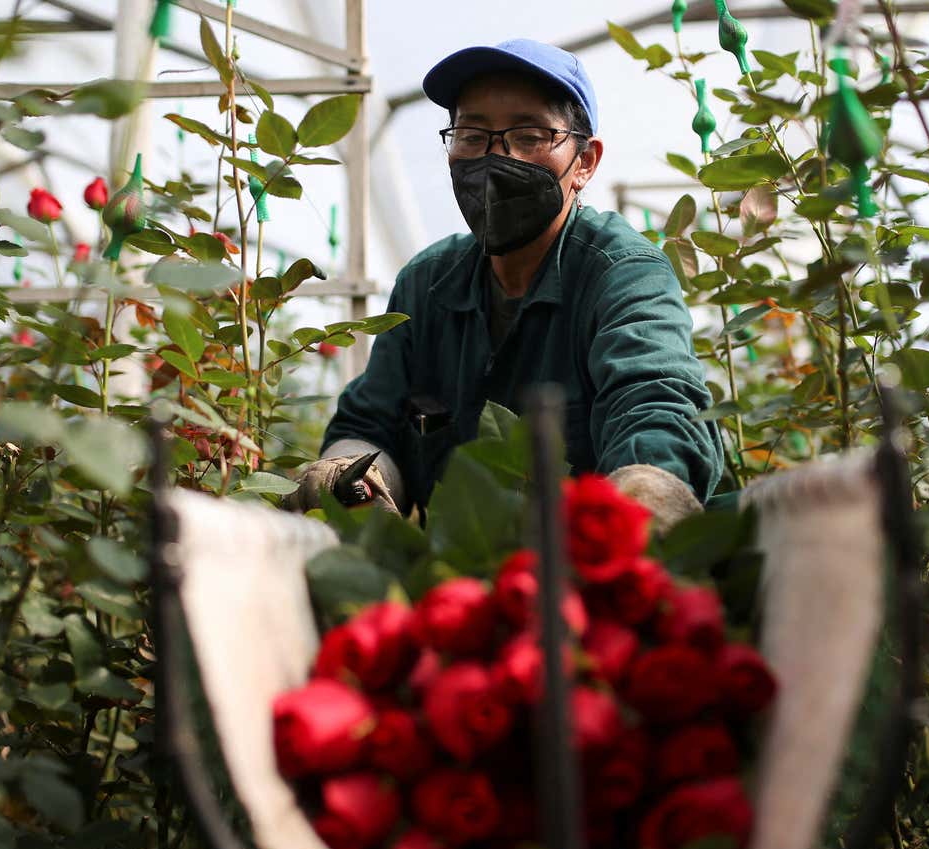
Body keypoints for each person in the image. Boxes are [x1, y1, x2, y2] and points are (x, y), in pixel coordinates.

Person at [289, 39, 725, 530]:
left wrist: (645, 498)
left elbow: (653, 400)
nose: (497, 159)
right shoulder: (426, 284)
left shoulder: (620, 272)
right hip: (456, 571)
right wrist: (347, 474)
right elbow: (371, 425)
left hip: (585, 573)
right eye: (472, 135)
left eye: (529, 134)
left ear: (585, 162)